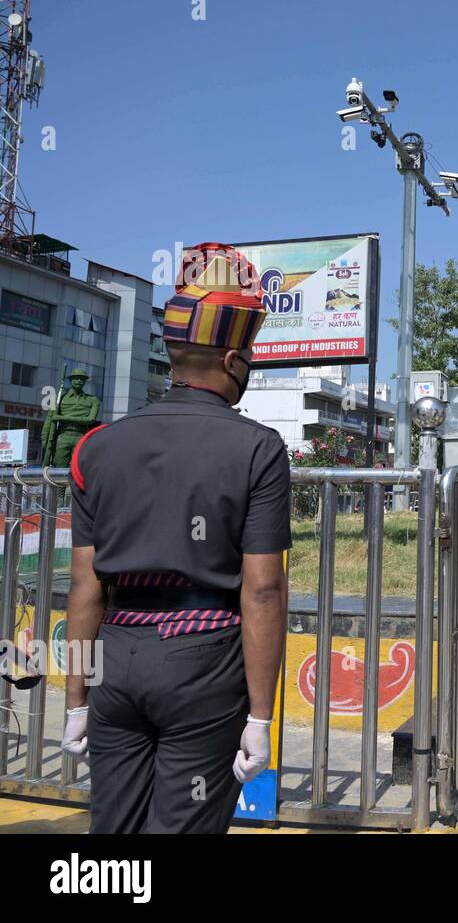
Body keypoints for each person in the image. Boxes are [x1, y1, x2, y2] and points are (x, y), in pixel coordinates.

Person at [62, 243, 291, 834]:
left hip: (115, 658)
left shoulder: (97, 447)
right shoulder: (257, 449)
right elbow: (262, 591)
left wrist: (75, 698)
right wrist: (261, 718)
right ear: (234, 359)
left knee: (113, 830)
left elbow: (85, 585)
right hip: (202, 662)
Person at [40, 368, 101, 467]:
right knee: (58, 466)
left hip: (81, 436)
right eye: (76, 378)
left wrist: (61, 418)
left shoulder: (93, 400)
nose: (79, 381)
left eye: (82, 379)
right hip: (62, 436)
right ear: (71, 380)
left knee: (79, 467)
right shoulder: (58, 398)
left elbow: (90, 420)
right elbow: (50, 419)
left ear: (85, 382)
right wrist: (44, 439)